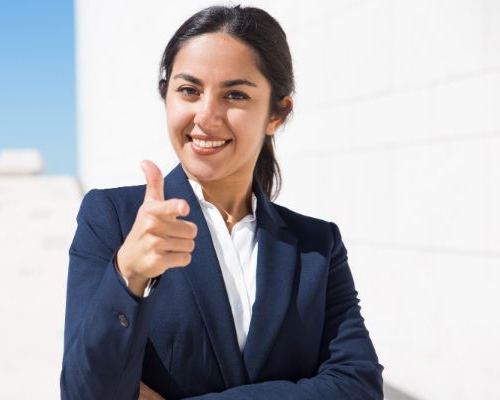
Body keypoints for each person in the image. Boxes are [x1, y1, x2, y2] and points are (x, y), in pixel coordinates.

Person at [60, 5, 383, 399]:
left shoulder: (317, 246)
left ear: (276, 115)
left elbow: (358, 386)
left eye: (235, 94)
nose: (206, 116)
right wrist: (128, 275)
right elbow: (84, 393)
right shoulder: (113, 220)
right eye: (189, 91)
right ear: (166, 96)